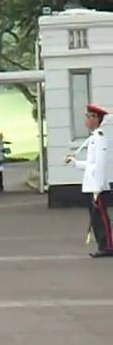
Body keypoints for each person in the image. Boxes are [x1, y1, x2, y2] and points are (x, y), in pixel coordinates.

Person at [66, 103, 113, 258]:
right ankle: (103, 244)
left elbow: (100, 163)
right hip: (91, 185)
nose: (86, 120)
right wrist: (75, 162)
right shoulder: (94, 138)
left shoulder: (99, 138)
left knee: (102, 218)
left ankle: (108, 245)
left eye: (88, 116)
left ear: (95, 118)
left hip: (96, 186)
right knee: (96, 219)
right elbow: (91, 164)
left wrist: (98, 186)